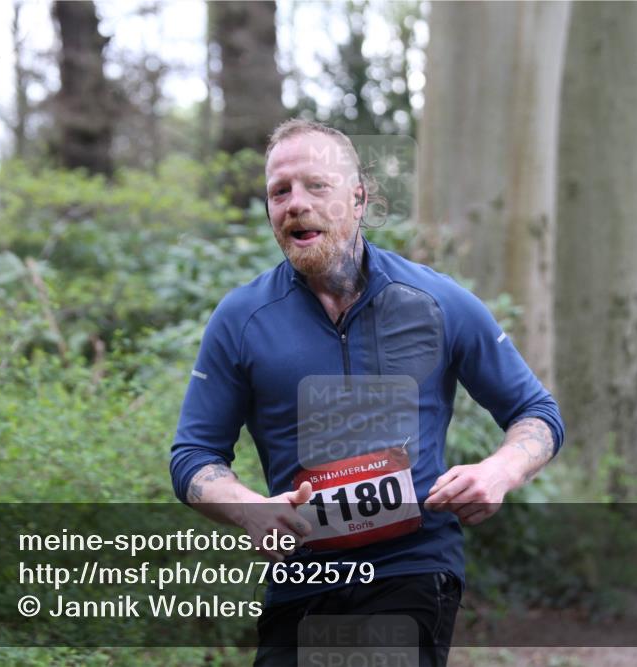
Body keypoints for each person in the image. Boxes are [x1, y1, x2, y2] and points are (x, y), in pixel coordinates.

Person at [170, 119, 564, 666]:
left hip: (412, 565)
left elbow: (536, 412)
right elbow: (192, 457)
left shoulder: (437, 302)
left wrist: (501, 471)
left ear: (359, 199)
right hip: (302, 574)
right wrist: (249, 509)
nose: (295, 203)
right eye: (279, 191)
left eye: (315, 185)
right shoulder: (242, 319)